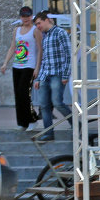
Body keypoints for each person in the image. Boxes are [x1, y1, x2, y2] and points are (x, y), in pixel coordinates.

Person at [0, 6, 41, 129]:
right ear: (20, 17)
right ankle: (22, 123)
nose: (25, 18)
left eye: (28, 16)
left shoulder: (35, 30)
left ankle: (32, 120)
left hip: (29, 66)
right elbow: (13, 47)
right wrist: (5, 63)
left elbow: (40, 50)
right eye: (23, 16)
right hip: (17, 66)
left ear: (31, 16)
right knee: (18, 94)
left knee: (24, 93)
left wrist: (37, 68)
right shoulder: (16, 30)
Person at [31, 11, 72, 142]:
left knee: (57, 102)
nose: (38, 26)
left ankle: (78, 125)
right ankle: (48, 133)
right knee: (44, 105)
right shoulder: (45, 37)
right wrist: (39, 78)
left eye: (39, 23)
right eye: (36, 24)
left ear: (47, 20)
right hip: (46, 75)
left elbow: (68, 55)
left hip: (58, 74)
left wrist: (65, 75)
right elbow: (44, 59)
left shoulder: (60, 33)